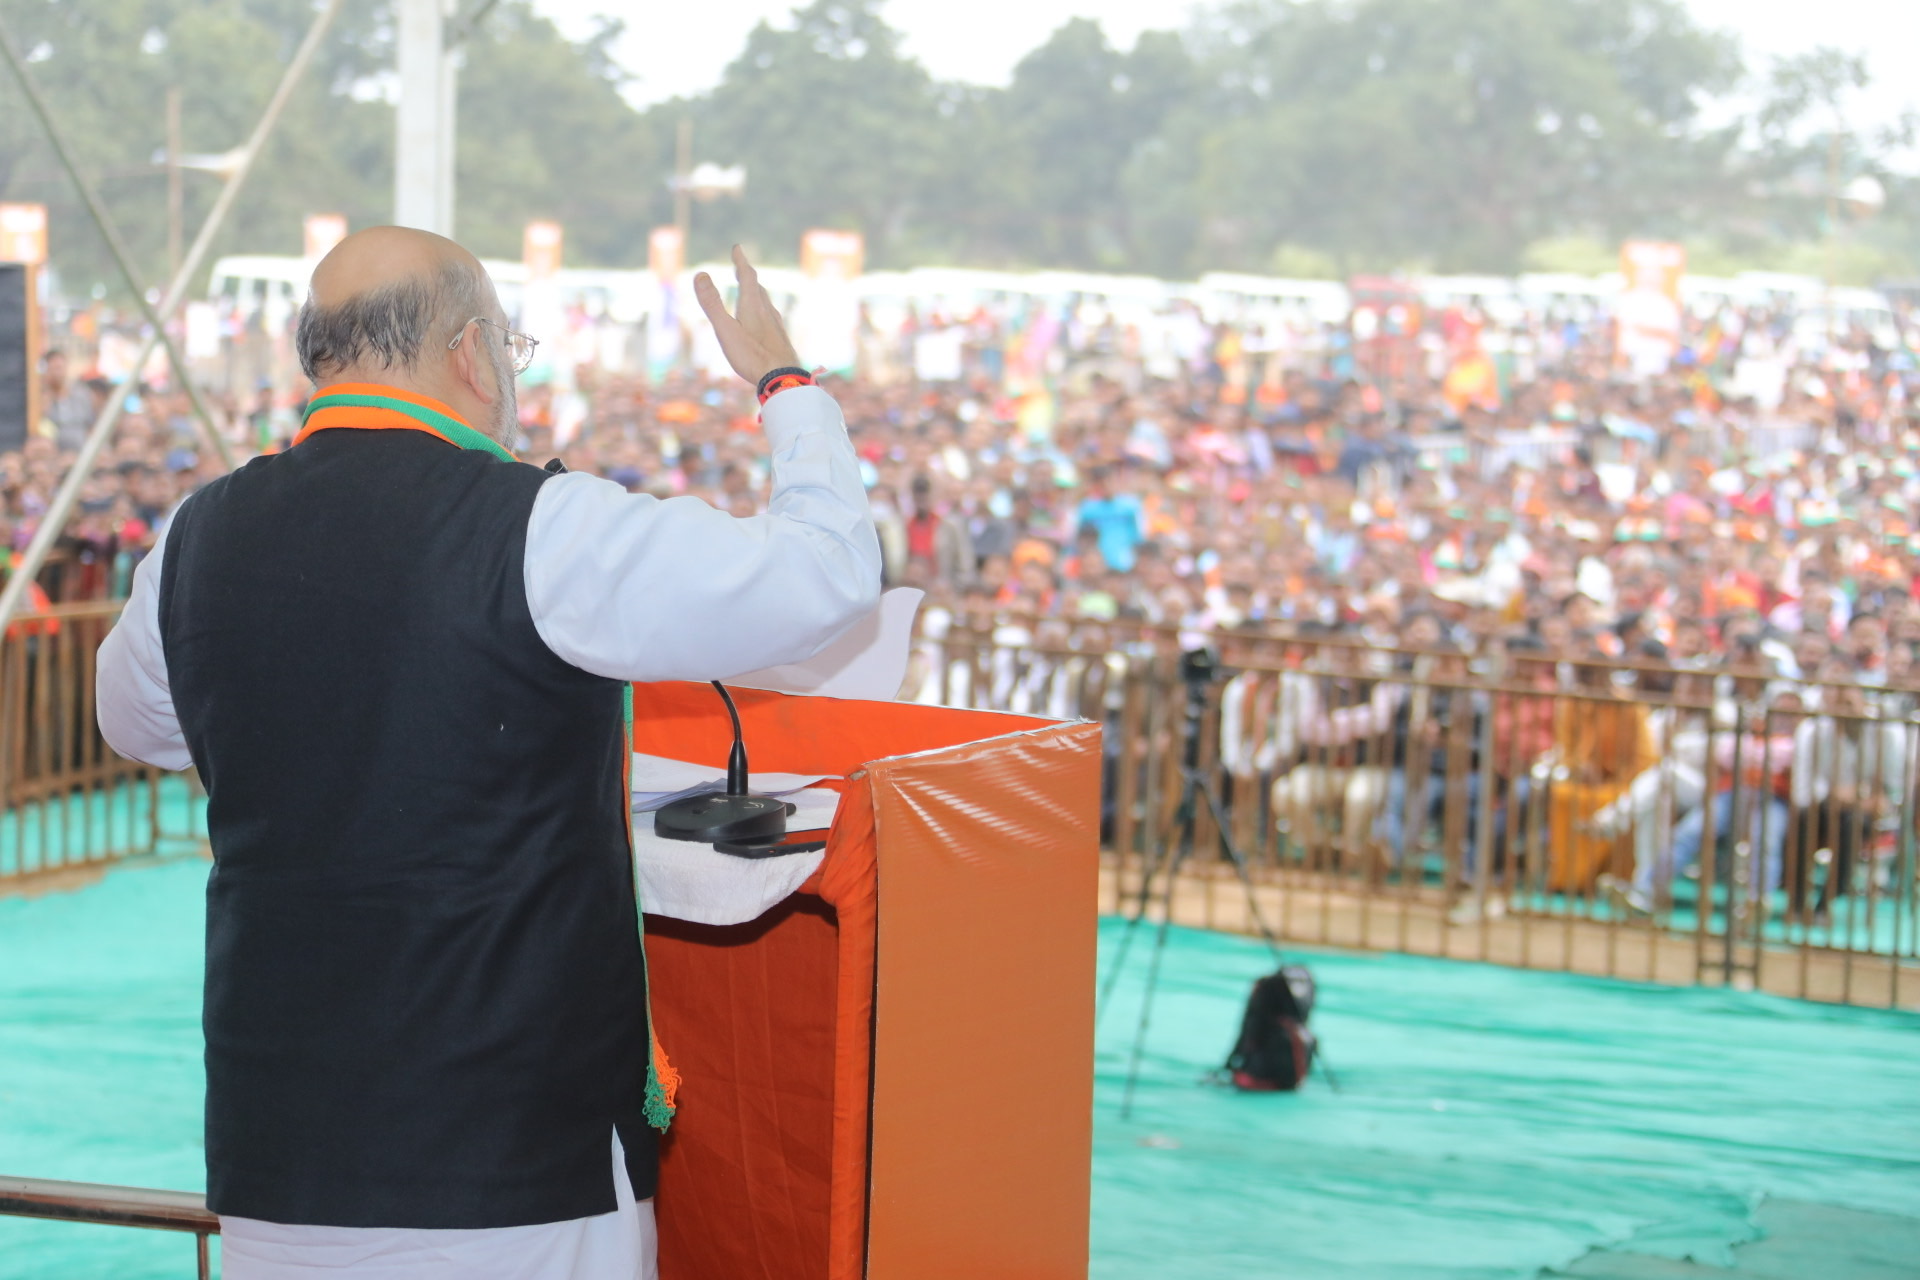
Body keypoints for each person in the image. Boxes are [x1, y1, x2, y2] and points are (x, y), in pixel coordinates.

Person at [93, 229, 881, 1280]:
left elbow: (136, 724)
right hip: (511, 1167)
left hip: (283, 1163)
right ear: (474, 353)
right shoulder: (540, 528)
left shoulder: (197, 535)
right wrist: (785, 382)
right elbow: (826, 574)